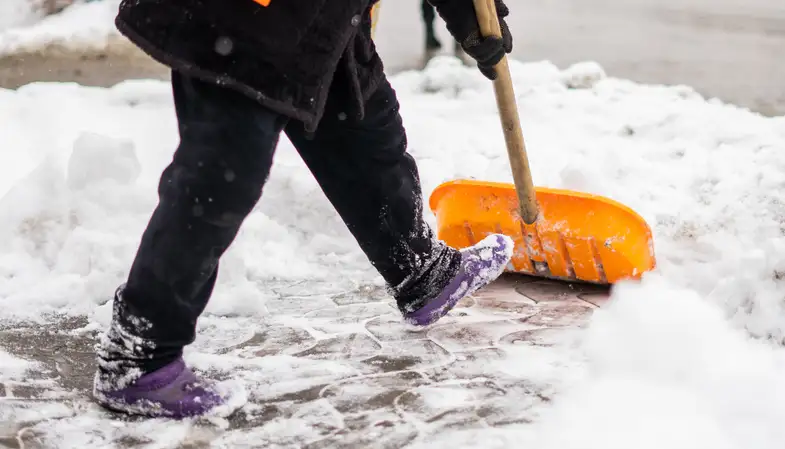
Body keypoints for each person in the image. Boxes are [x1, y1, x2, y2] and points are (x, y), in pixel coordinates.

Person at [93, 0, 514, 419]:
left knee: (358, 116)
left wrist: (469, 12)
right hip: (242, 16)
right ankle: (139, 354)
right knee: (225, 169)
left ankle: (419, 269)